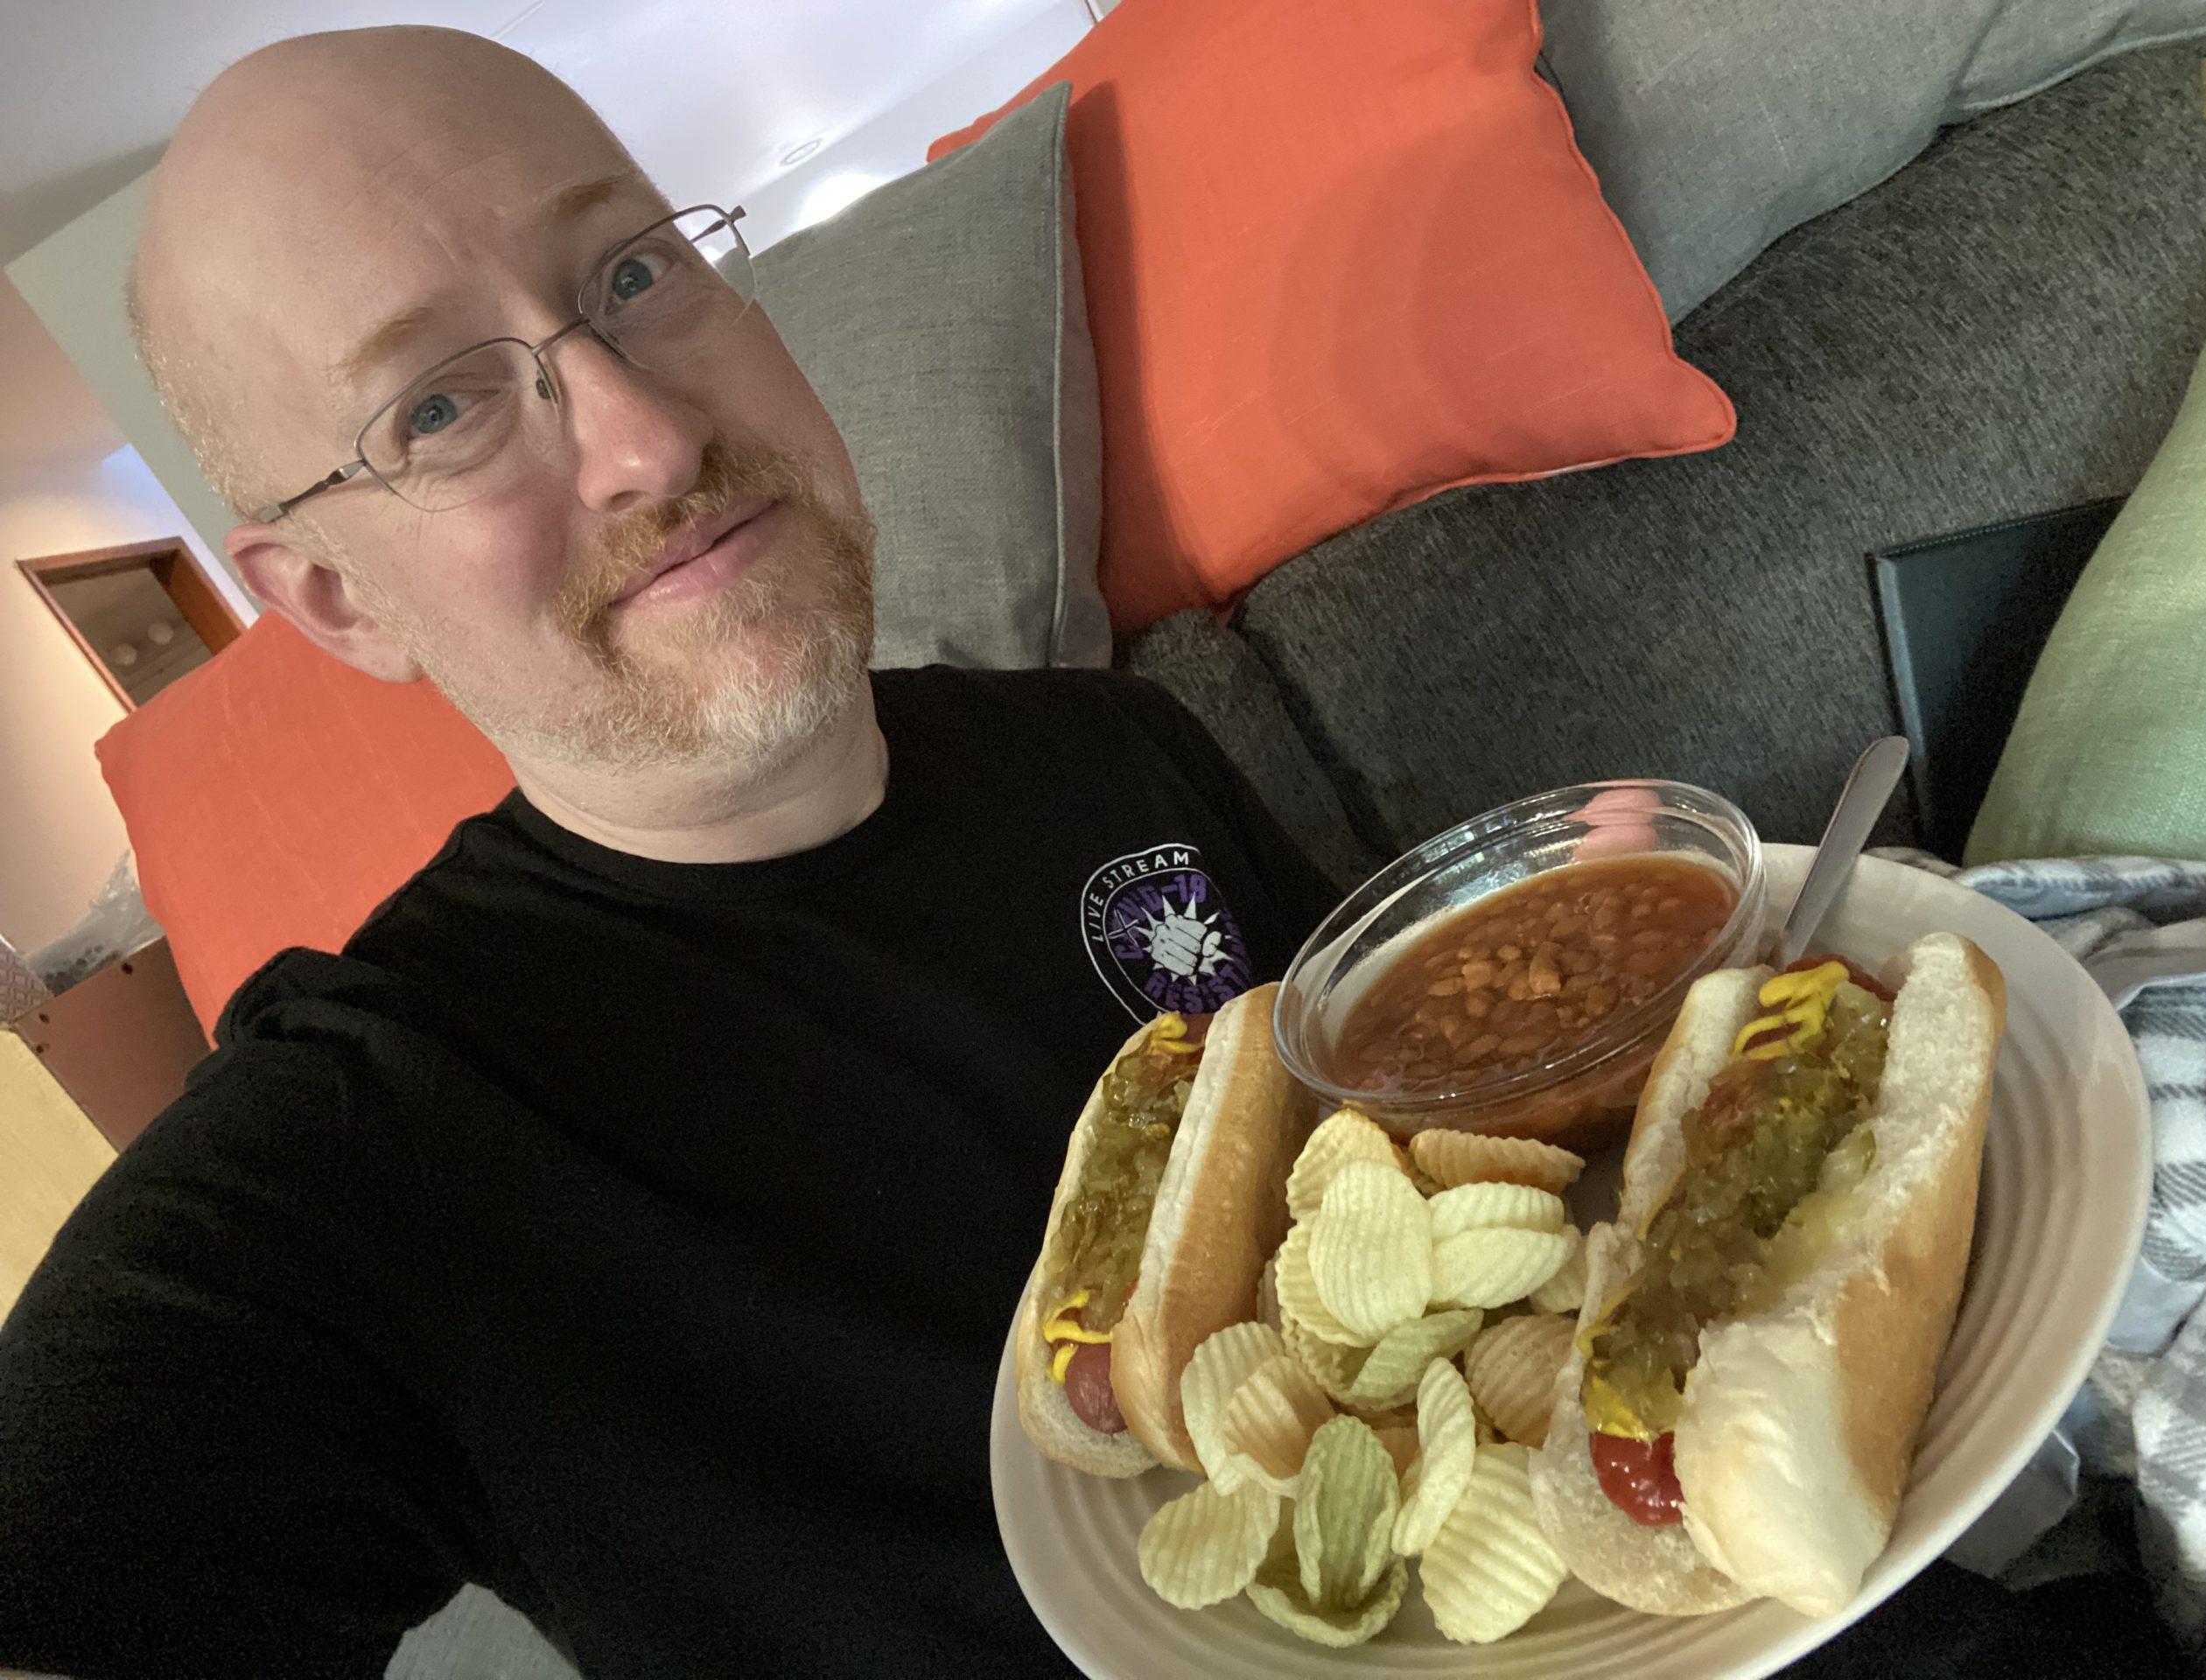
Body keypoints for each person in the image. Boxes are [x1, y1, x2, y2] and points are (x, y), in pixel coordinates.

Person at [0, 25, 1339, 1678]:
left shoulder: (1112, 742)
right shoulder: (370, 1150)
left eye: (629, 274)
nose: (647, 441)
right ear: (339, 601)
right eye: (437, 408)